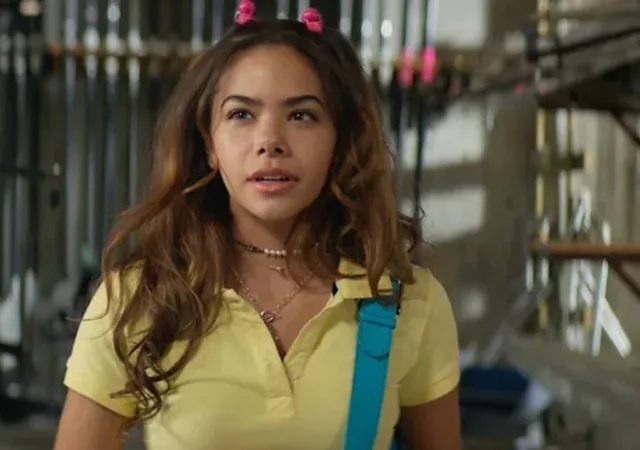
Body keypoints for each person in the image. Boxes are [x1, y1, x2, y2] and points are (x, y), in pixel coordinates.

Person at [55, 2, 461, 449]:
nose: (270, 142)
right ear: (209, 143)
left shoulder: (408, 304)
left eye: (301, 115)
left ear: (340, 140)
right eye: (241, 114)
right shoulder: (142, 295)